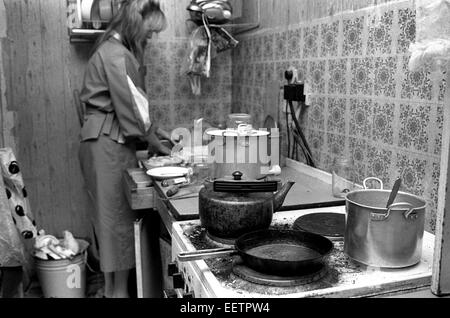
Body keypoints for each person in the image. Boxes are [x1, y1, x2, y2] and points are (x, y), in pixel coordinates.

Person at [78, 0, 171, 298]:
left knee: (109, 223)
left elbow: (130, 106)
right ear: (135, 20)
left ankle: (113, 291)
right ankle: (117, 294)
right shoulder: (118, 55)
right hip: (109, 145)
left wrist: (153, 132)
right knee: (117, 222)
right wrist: (156, 142)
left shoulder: (107, 50)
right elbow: (131, 110)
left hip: (101, 142)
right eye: (150, 31)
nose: (150, 37)